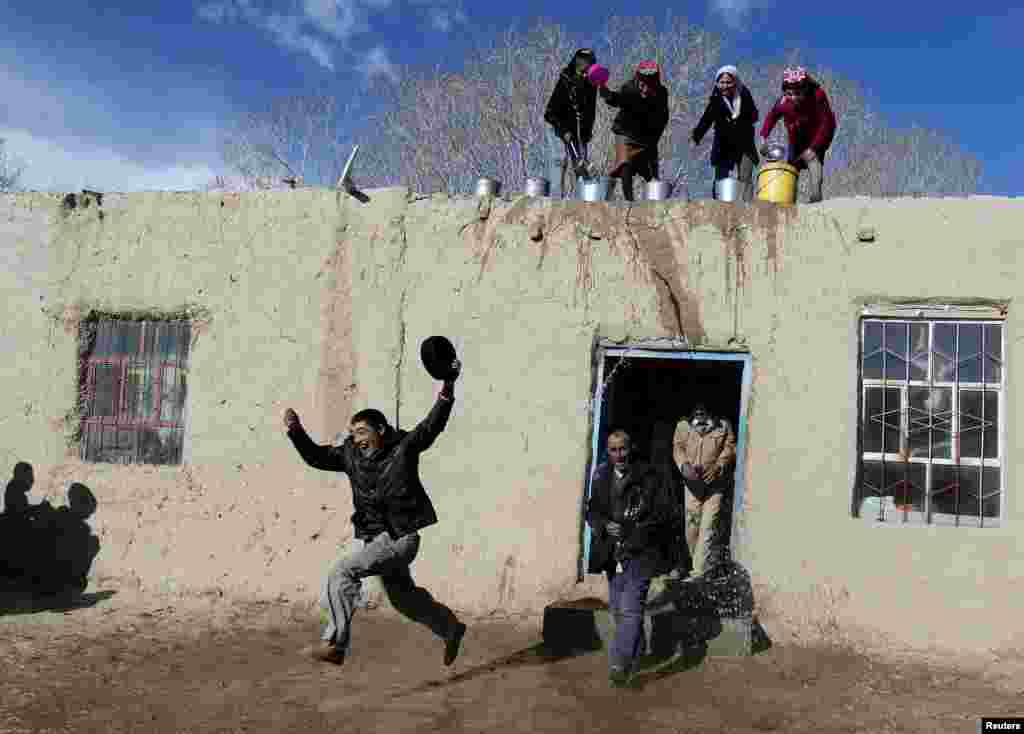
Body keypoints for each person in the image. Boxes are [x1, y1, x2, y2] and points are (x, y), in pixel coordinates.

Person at [283, 362, 467, 667]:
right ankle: (451, 628)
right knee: (404, 599)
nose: (357, 439)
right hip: (376, 541)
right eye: (353, 434)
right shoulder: (350, 455)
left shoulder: (404, 448)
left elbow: (432, 425)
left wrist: (448, 385)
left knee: (343, 571)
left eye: (362, 432)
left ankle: (335, 644)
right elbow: (316, 456)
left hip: (401, 537)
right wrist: (295, 430)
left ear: (381, 430)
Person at [586, 429, 675, 687]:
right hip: (613, 554)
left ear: (631, 448)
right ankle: (635, 654)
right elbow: (592, 510)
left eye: (623, 449)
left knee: (630, 606)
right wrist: (603, 525)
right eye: (613, 450)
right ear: (608, 452)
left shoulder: (648, 476)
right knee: (616, 608)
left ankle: (619, 662)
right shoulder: (601, 475)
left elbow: (661, 515)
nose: (619, 455)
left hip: (641, 552)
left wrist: (631, 530)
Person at [672, 405, 736, 580]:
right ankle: (701, 565)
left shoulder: (723, 426)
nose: (699, 414)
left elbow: (729, 448)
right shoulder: (683, 426)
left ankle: (699, 573)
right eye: (696, 411)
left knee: (708, 527)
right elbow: (677, 448)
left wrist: (719, 466)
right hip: (692, 486)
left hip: (714, 486)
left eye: (703, 411)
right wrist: (684, 466)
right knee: (691, 528)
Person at [759, 66, 837, 203]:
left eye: (797, 93)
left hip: (817, 134)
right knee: (792, 166)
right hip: (796, 138)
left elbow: (827, 124)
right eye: (789, 94)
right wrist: (763, 136)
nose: (793, 97)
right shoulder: (783, 102)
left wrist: (814, 147)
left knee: (812, 161)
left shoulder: (817, 96)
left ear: (805, 89)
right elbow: (771, 117)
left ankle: (815, 197)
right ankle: (787, 198)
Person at [600, 60, 670, 201]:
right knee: (625, 164)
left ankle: (656, 204)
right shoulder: (629, 88)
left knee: (652, 175)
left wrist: (653, 141)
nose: (645, 90)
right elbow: (617, 99)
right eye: (643, 85)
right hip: (626, 133)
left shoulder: (661, 94)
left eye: (649, 87)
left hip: (648, 137)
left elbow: (663, 119)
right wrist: (607, 94)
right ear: (638, 81)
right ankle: (629, 202)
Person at [691, 65, 760, 202]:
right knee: (721, 177)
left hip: (744, 143)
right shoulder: (715, 100)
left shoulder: (744, 95)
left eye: (728, 82)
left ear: (735, 82)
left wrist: (740, 119)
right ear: (717, 83)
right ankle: (718, 205)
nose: (725, 86)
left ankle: (747, 207)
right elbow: (706, 120)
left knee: (745, 177)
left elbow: (754, 115)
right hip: (723, 145)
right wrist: (696, 136)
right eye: (722, 82)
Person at [544, 48, 599, 199]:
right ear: (576, 60)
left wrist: (586, 134)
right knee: (560, 160)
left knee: (581, 165)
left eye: (588, 61)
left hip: (578, 130)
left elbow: (590, 113)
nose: (584, 63)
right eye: (581, 59)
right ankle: (555, 200)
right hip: (558, 125)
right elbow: (550, 112)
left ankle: (583, 201)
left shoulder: (592, 86)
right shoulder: (565, 79)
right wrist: (563, 131)